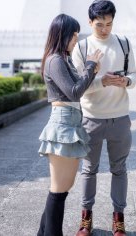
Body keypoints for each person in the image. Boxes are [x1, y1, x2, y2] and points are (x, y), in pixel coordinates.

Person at [72, 0, 136, 236]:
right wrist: (103, 81)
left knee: (119, 170)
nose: (105, 29)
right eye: (99, 24)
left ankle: (118, 219)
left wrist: (126, 81)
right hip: (91, 118)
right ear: (89, 22)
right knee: (89, 170)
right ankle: (86, 218)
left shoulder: (123, 43)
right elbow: (78, 88)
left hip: (120, 117)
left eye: (109, 24)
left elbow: (134, 74)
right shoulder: (80, 48)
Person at [37, 13, 103, 236]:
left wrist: (92, 71)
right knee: (58, 191)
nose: (76, 39)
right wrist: (91, 65)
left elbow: (79, 88)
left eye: (76, 34)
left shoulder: (63, 59)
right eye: (73, 35)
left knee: (63, 189)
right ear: (62, 34)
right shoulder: (55, 59)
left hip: (72, 122)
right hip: (63, 123)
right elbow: (74, 93)